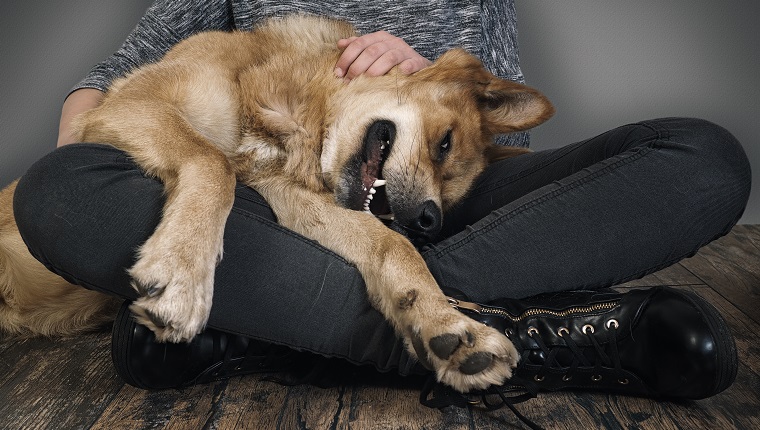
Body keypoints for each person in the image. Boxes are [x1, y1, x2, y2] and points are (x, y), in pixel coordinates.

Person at [12, 0, 750, 413]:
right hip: (265, 188)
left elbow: (491, 116)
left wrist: (424, 73)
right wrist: (176, 176)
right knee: (62, 192)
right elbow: (106, 88)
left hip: (426, 192)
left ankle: (271, 325)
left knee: (701, 159)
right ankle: (514, 333)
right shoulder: (242, 51)